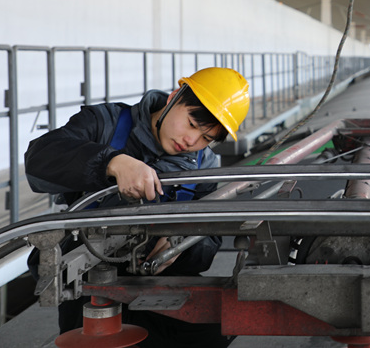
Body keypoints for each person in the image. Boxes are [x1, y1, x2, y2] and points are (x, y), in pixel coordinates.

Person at [25, 67, 250, 348]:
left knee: (216, 326)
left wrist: (181, 247)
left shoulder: (204, 165)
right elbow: (39, 159)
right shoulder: (104, 124)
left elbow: (209, 241)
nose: (192, 141)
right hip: (92, 277)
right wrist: (112, 162)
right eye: (192, 124)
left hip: (159, 280)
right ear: (173, 99)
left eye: (206, 138)